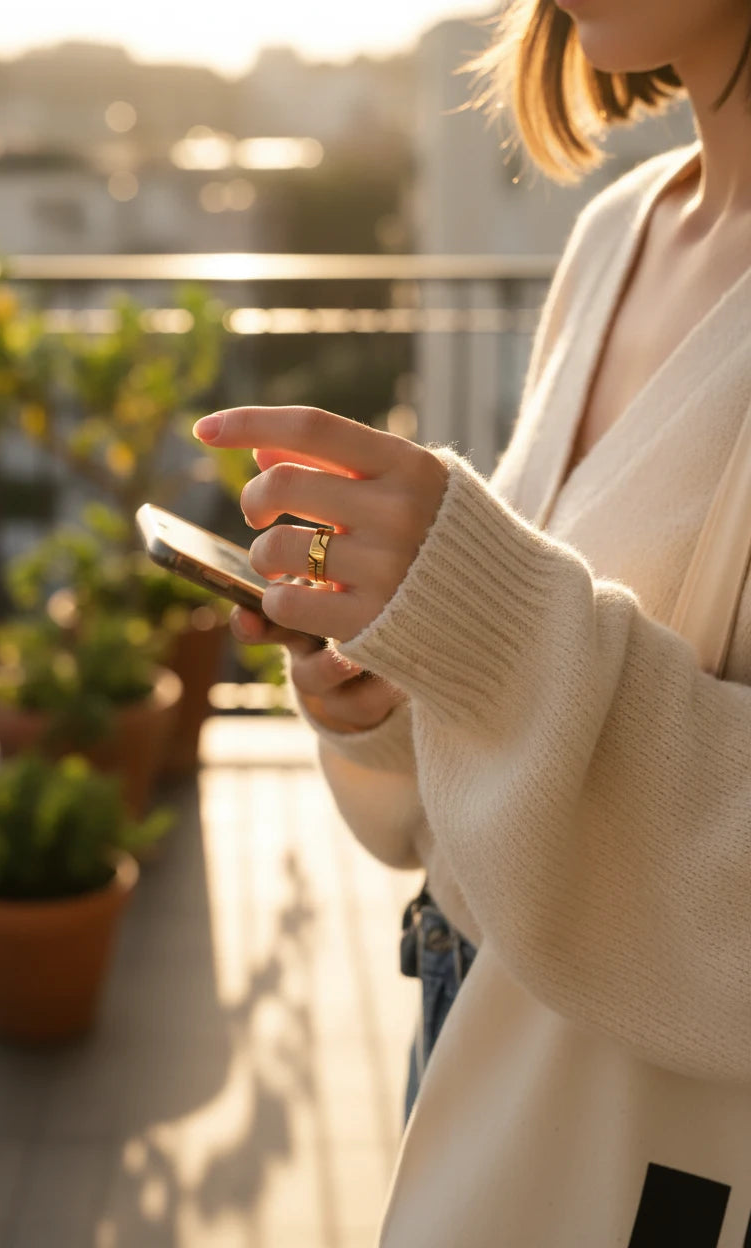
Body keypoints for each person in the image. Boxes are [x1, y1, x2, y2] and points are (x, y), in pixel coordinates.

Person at [195, 0, 751, 1242]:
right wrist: (396, 680)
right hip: (462, 1019)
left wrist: (491, 620)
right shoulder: (619, 230)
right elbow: (507, 735)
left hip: (651, 1153)